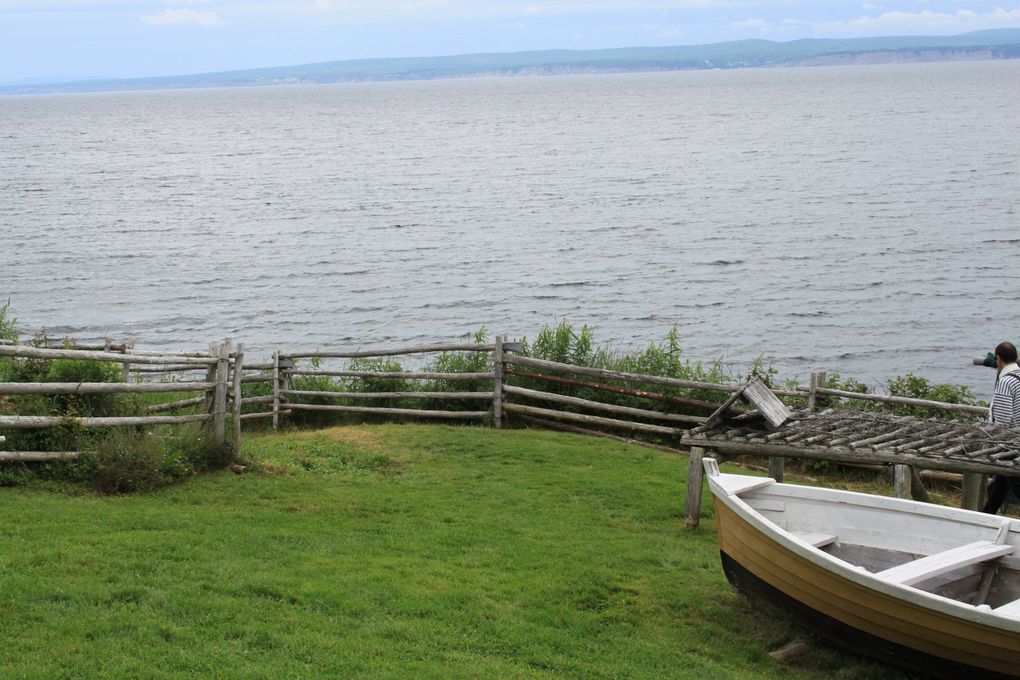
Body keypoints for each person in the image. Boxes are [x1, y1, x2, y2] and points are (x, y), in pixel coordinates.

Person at [982, 341, 1020, 514]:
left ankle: (985, 518)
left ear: (998, 358)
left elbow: (1003, 419)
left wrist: (995, 443)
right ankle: (986, 517)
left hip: (1011, 444)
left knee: (1013, 484)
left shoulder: (1006, 381)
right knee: (999, 487)